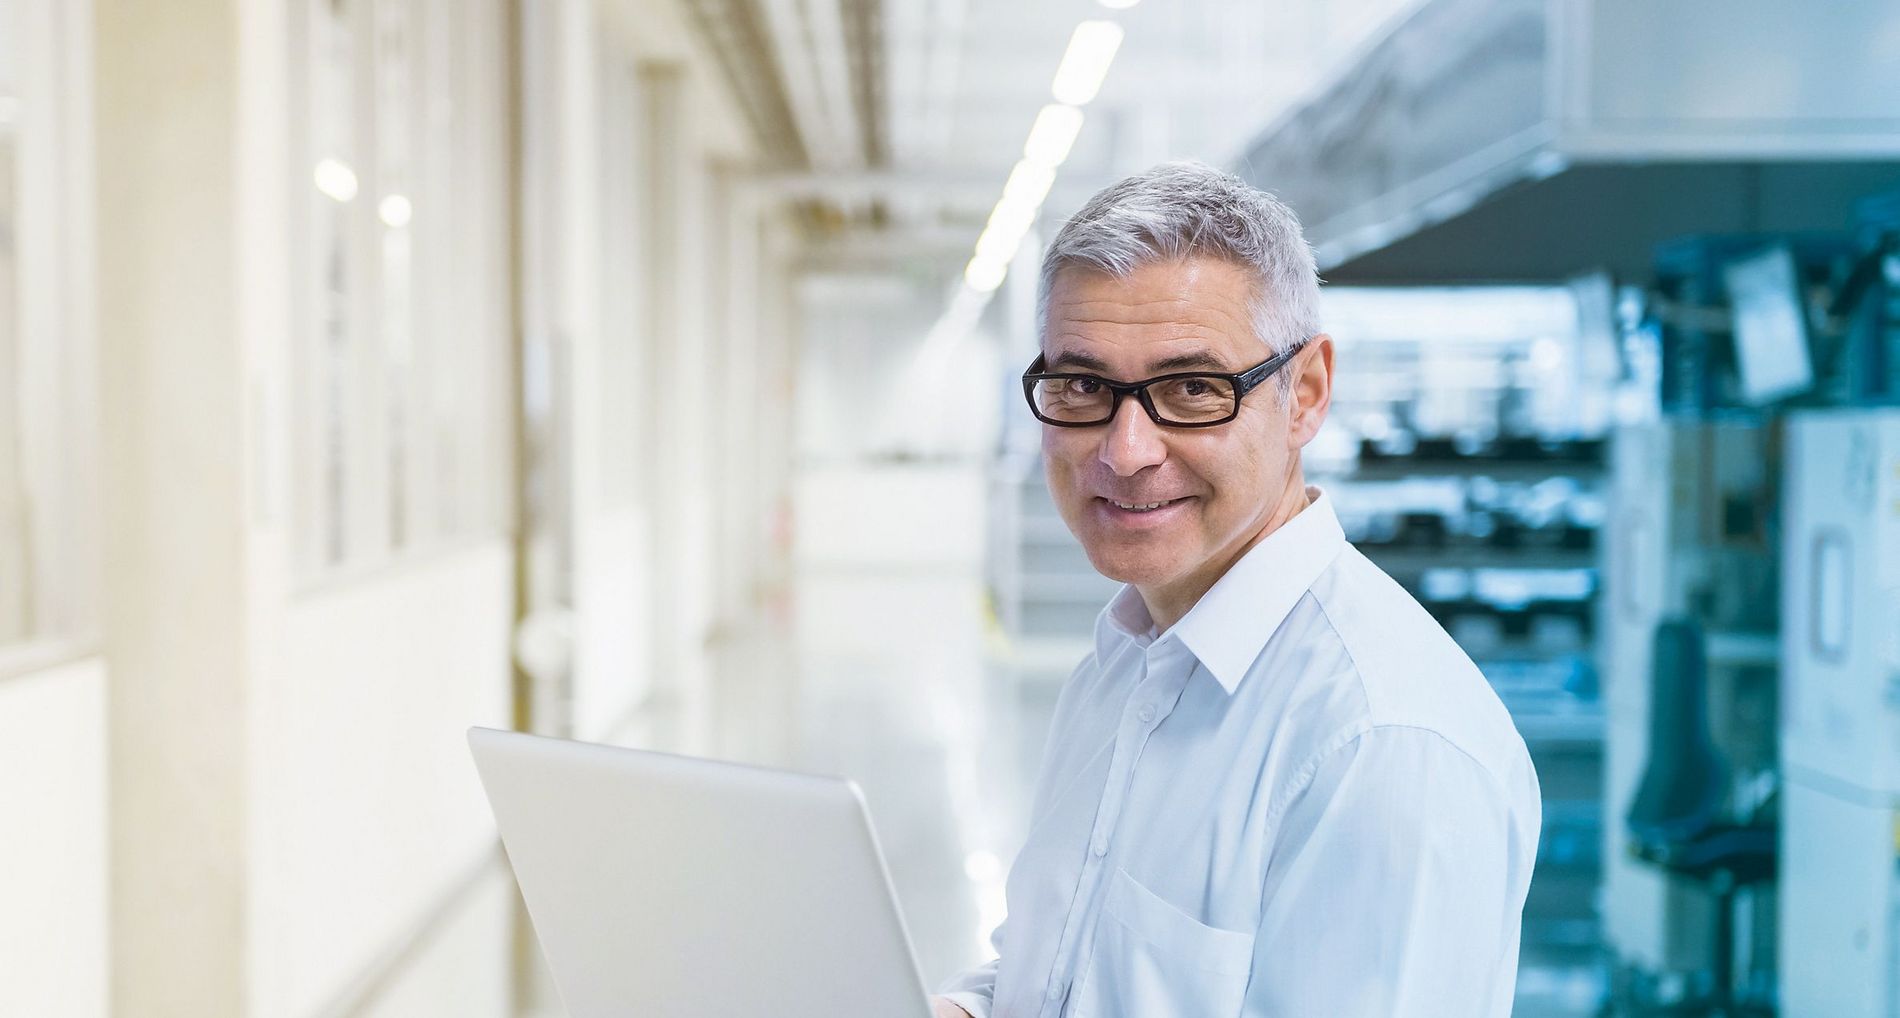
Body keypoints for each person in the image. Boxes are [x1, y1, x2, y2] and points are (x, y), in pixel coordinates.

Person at [931, 162, 1540, 1018]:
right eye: (1084, 387)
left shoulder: (1380, 744)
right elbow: (1061, 968)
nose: (1126, 450)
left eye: (1191, 389)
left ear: (1307, 395)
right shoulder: (1126, 664)